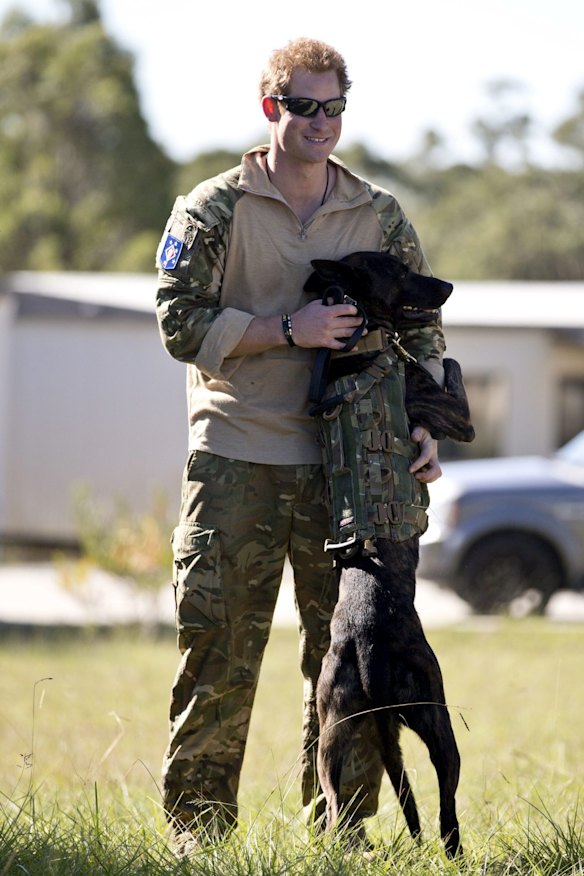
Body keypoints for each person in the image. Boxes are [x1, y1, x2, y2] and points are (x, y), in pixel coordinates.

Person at [155, 37, 445, 849]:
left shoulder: (378, 212)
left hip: (349, 466)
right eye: (304, 107)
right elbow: (178, 322)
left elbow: (421, 326)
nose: (321, 123)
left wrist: (421, 422)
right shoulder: (214, 208)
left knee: (349, 660)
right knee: (217, 653)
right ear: (270, 108)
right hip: (237, 454)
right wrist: (292, 329)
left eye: (334, 108)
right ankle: (198, 839)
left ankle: (343, 836)